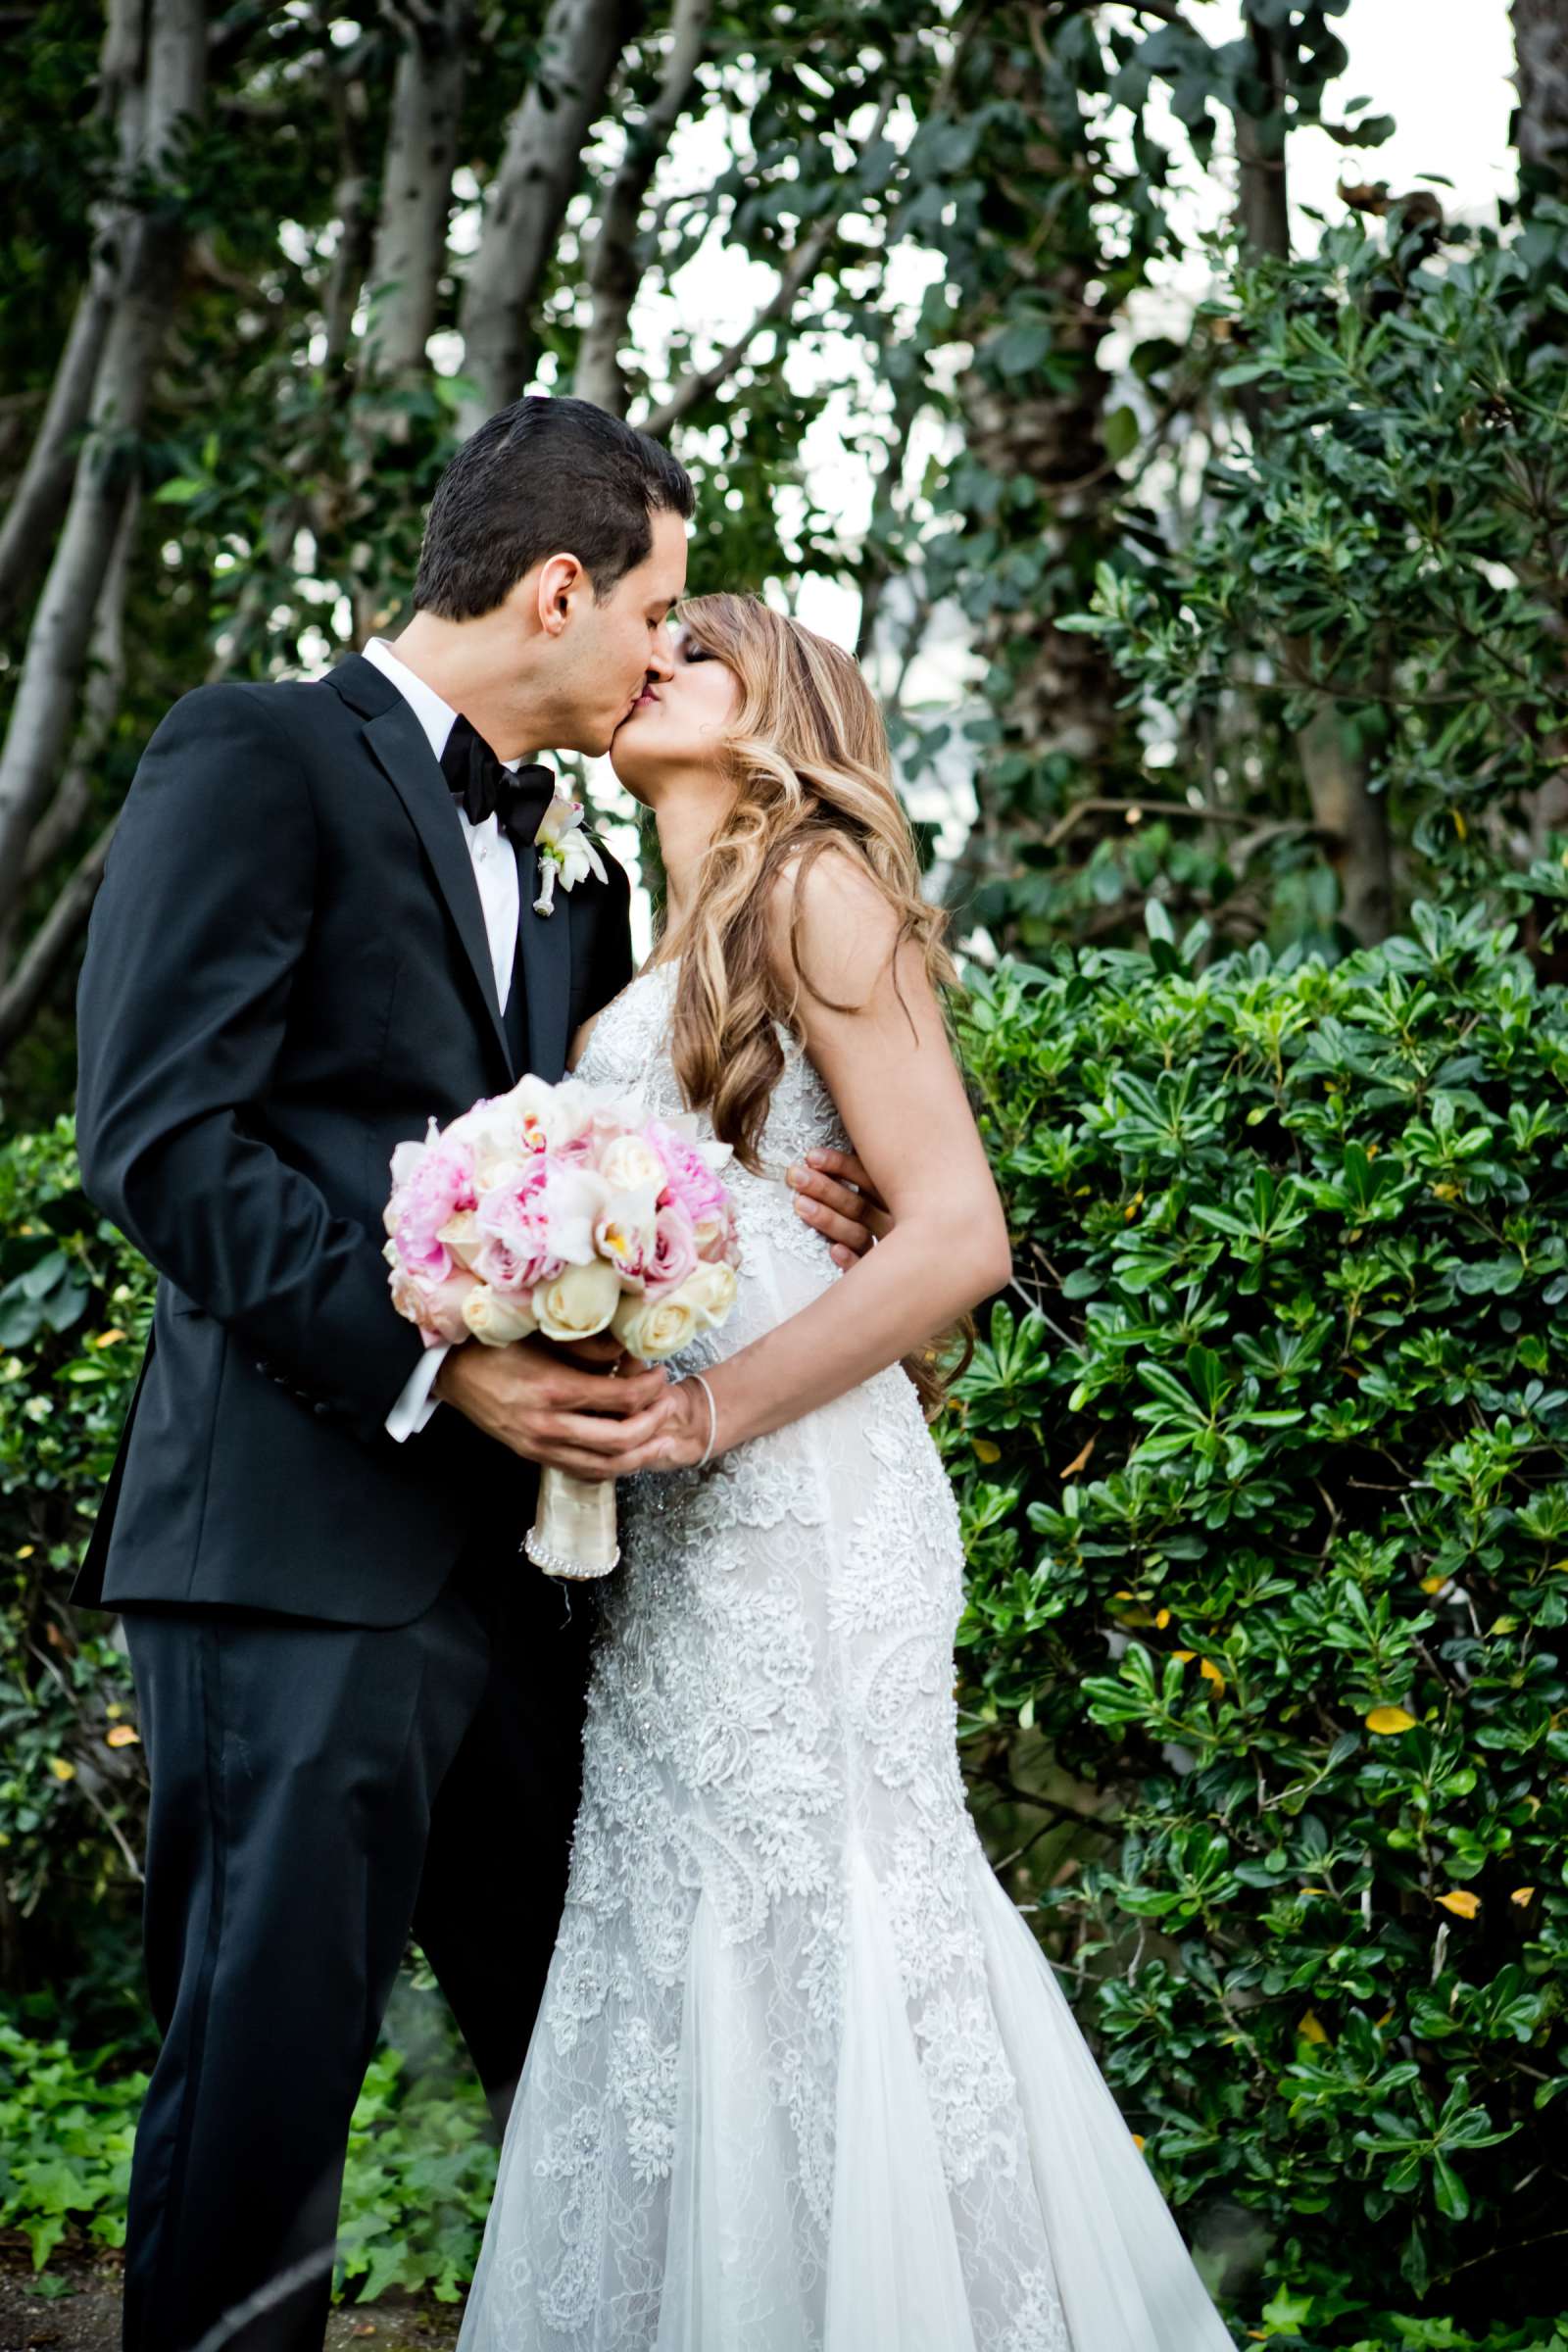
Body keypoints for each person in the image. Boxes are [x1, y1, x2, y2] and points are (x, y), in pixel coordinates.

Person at [72, 400, 881, 2352]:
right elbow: (163, 1143)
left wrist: (783, 1202)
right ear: (554, 588)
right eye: (658, 607)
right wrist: (435, 1377)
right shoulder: (254, 755)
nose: (664, 649)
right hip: (291, 1559)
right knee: (259, 2110)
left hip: (532, 1598)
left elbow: (601, 1146)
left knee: (600, 2094)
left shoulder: (570, 876)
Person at [456, 594, 1235, 2351]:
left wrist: (714, 1411)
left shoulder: (816, 880)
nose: (653, 656)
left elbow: (956, 1231)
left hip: (798, 1507)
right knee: (683, 1917)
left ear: (784, 706)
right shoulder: (630, 957)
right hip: (670, 1531)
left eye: (700, 644)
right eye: (648, 635)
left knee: (839, 1908)